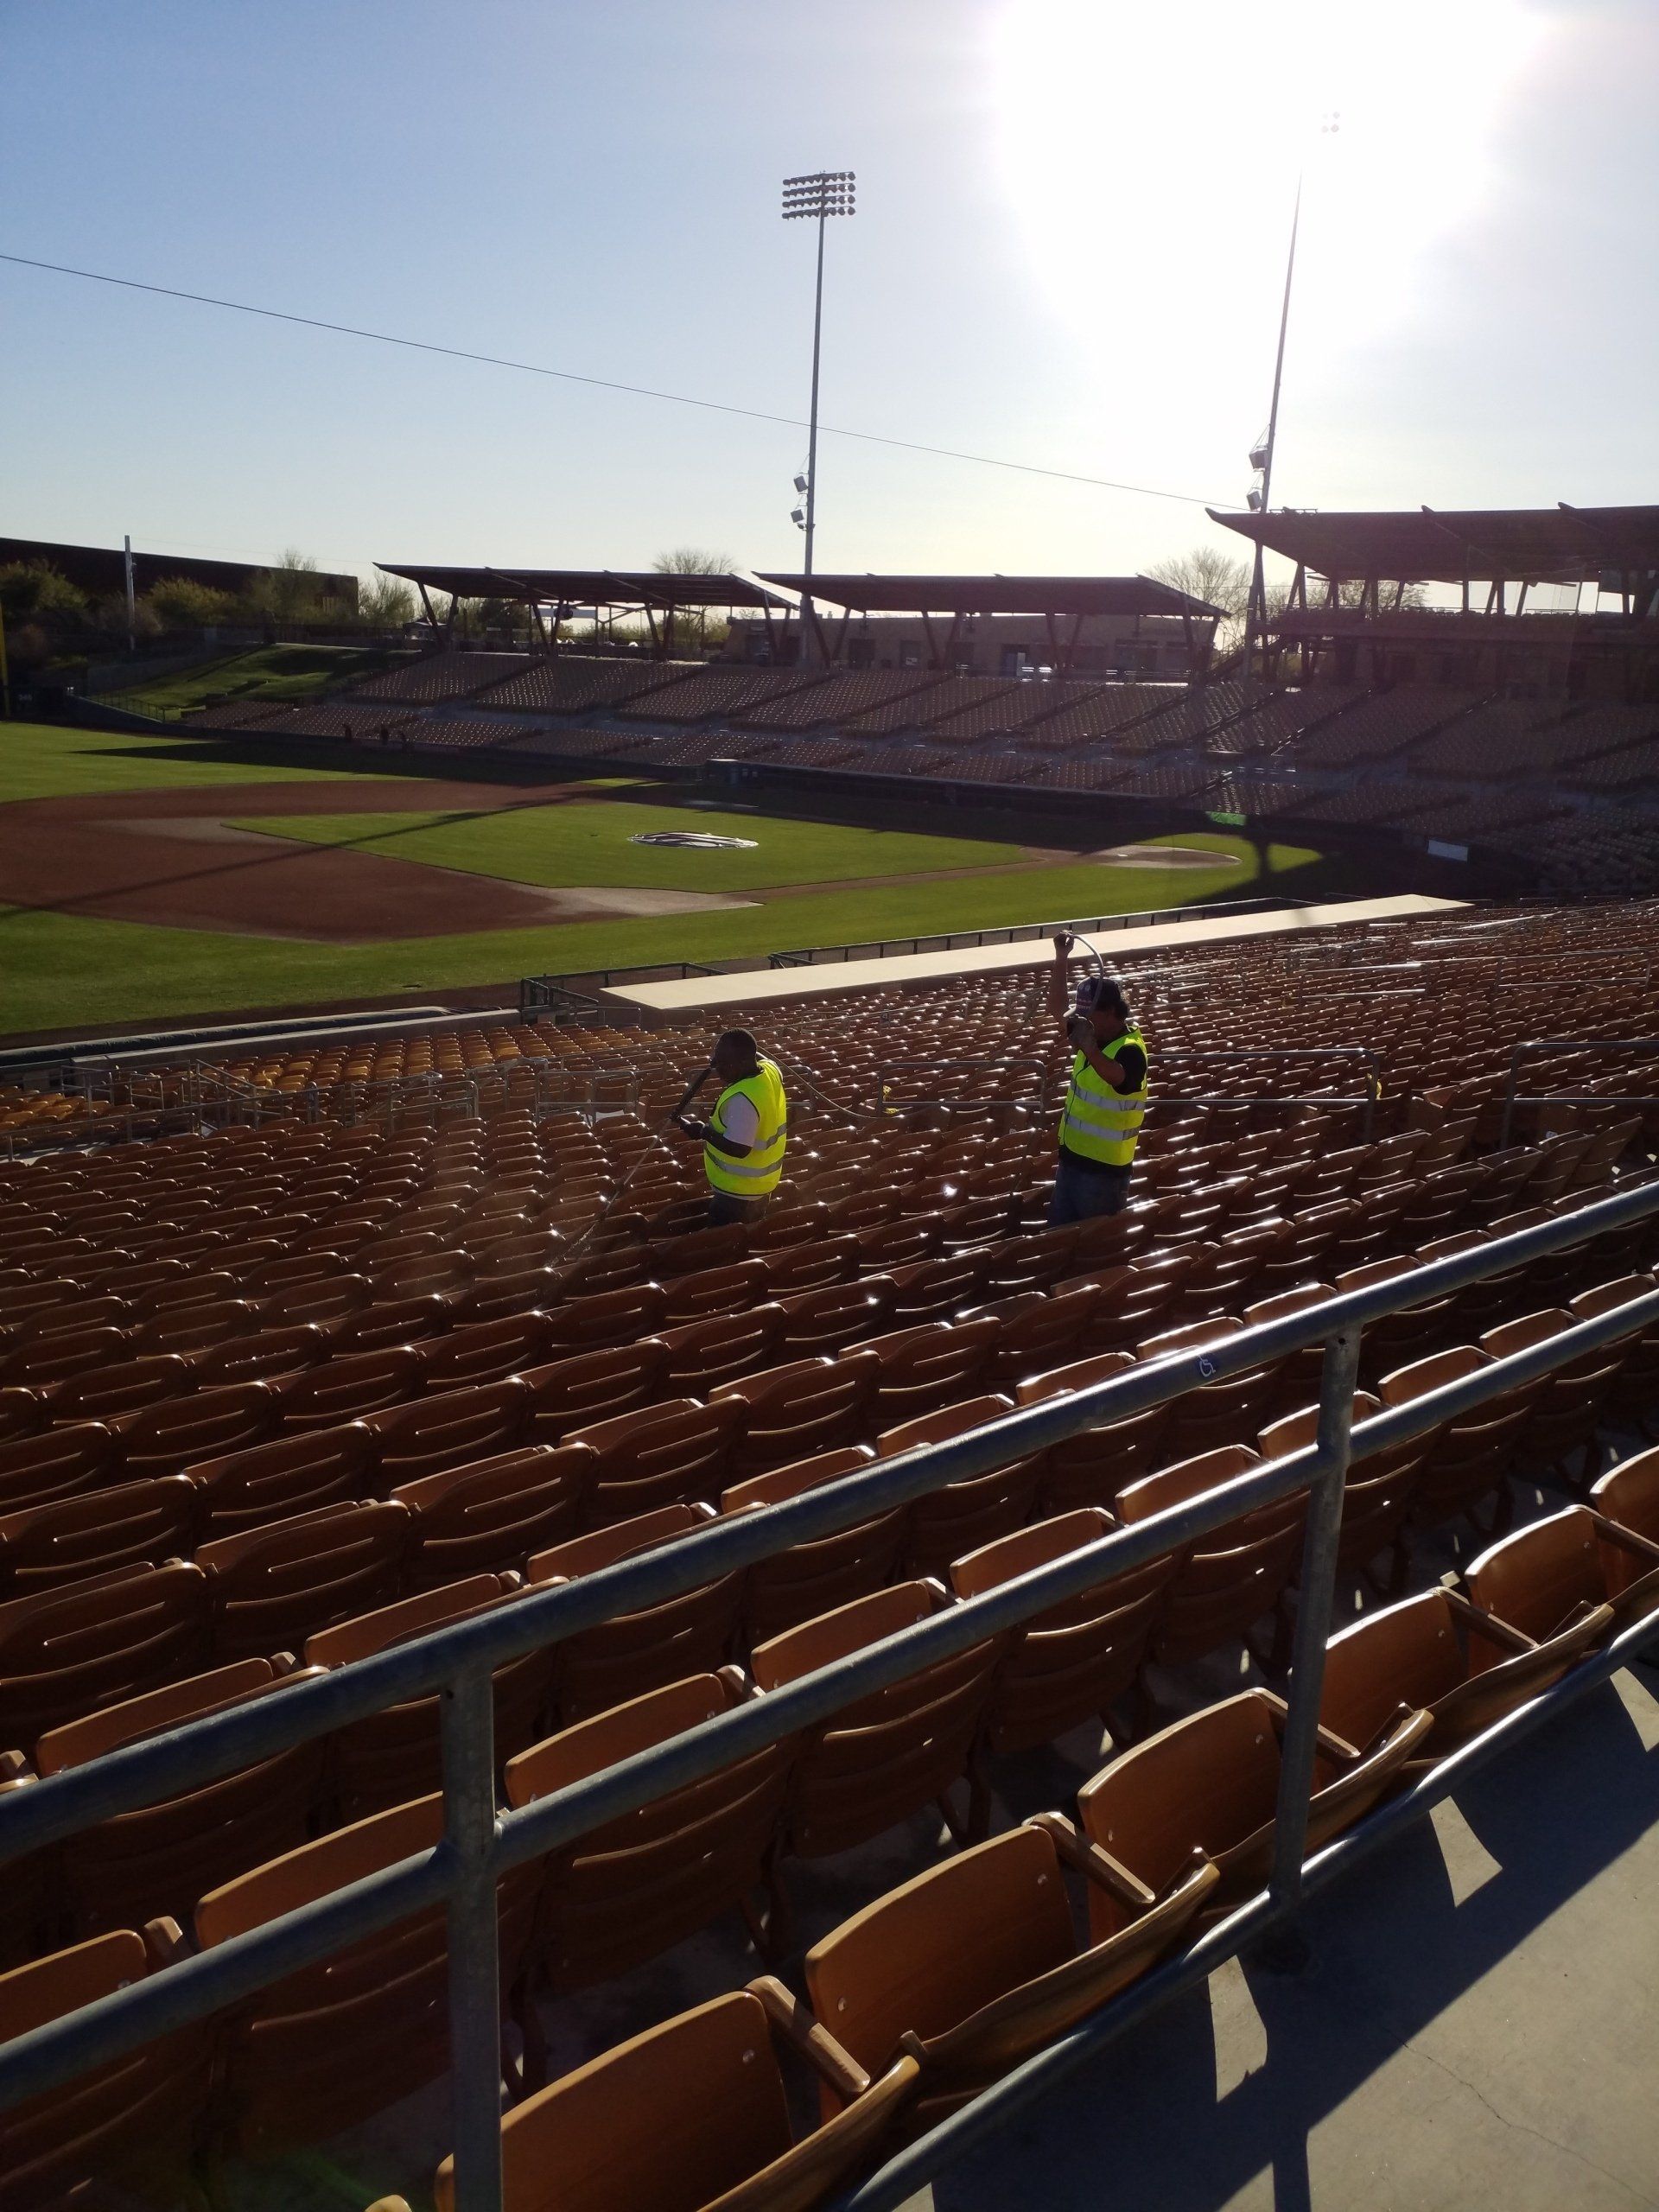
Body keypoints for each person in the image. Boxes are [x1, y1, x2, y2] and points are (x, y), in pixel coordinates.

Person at [1046, 931, 1148, 1224]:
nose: (1082, 1020)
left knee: (1090, 1244)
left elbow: (1119, 1078)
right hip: (1072, 1158)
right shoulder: (1090, 1030)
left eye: (1089, 1014)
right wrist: (1061, 958)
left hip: (1104, 1172)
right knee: (1058, 1237)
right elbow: (1055, 1009)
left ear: (1112, 1012)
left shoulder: (1130, 1048)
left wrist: (1089, 1047)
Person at [677, 1029, 788, 1226]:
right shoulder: (770, 1071)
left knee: (724, 1243)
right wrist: (727, 1052)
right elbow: (762, 1057)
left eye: (724, 1064)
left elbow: (739, 1148)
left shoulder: (742, 1100)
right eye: (716, 1061)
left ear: (745, 1061)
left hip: (738, 1195)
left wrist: (703, 1131)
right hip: (760, 1187)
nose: (718, 1069)